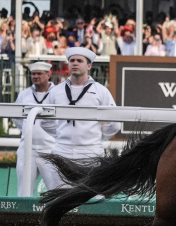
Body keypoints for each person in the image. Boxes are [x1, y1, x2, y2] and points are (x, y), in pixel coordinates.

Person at [40, 47, 121, 190]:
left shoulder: (100, 90)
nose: (75, 63)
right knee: (59, 197)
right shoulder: (56, 91)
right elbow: (45, 120)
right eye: (71, 60)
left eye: (79, 60)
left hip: (91, 153)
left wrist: (97, 137)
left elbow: (114, 123)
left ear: (89, 66)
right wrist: (61, 134)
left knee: (92, 197)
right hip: (62, 152)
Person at [13, 61, 56, 196]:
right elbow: (16, 118)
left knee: (56, 189)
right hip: (27, 148)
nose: (36, 76)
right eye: (33, 74)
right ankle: (22, 217)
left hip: (50, 148)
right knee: (23, 191)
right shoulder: (24, 94)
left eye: (39, 74)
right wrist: (28, 130)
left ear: (48, 75)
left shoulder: (57, 94)